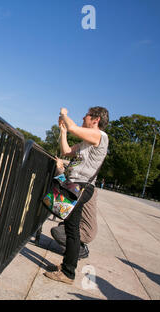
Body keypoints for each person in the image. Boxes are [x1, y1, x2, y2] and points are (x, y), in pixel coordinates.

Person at [44, 106, 109, 285]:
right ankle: (67, 268)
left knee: (71, 229)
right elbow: (66, 151)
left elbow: (74, 127)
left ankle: (68, 272)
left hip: (81, 187)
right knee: (71, 229)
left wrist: (64, 115)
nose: (83, 117)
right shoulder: (86, 143)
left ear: (95, 119)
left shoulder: (100, 136)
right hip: (76, 186)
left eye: (86, 115)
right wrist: (62, 131)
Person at [51, 159, 99, 260]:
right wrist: (61, 161)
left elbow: (66, 187)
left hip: (85, 231)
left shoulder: (84, 188)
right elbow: (75, 165)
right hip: (88, 229)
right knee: (62, 226)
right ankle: (78, 245)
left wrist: (59, 169)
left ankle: (80, 250)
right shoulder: (89, 184)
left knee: (57, 232)